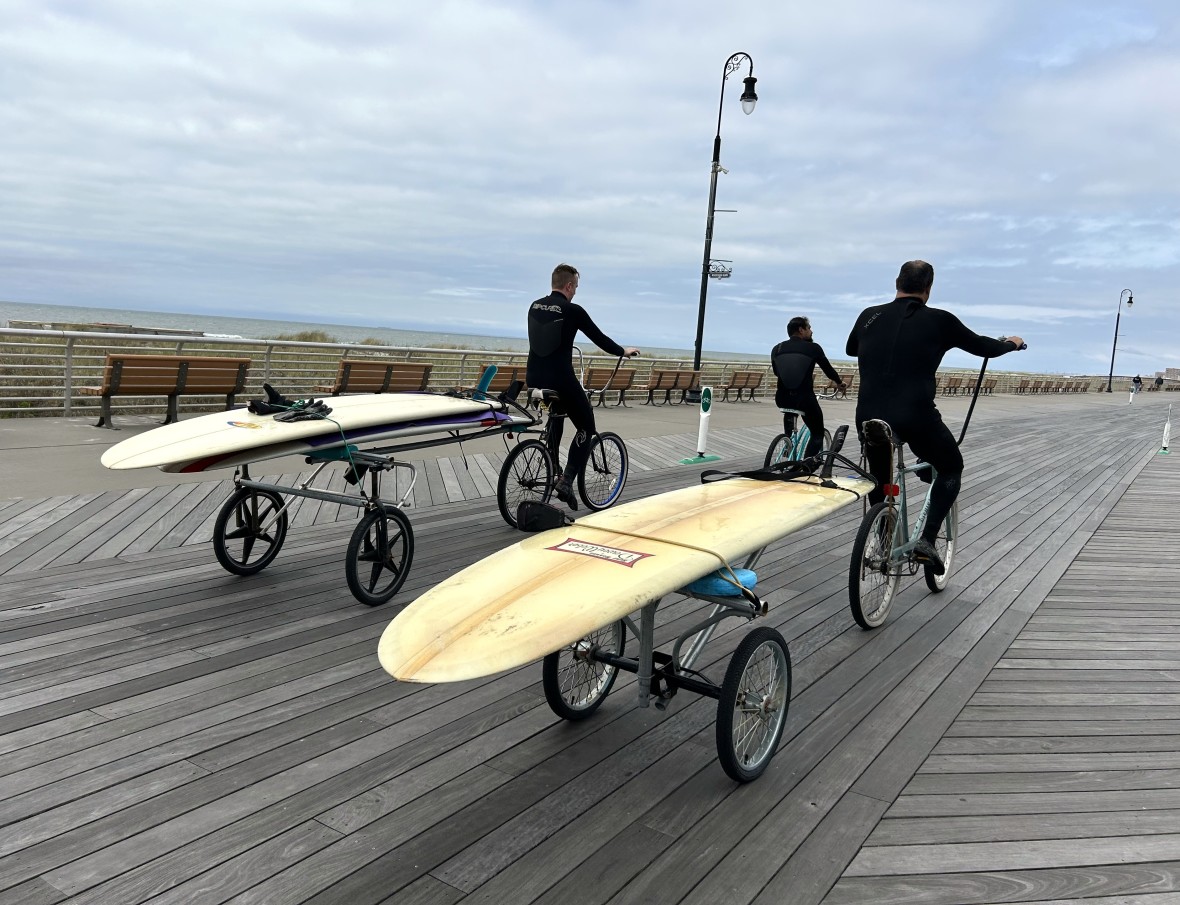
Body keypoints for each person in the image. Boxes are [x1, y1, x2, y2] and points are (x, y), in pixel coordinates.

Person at [845, 260, 1024, 574]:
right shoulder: (940, 321)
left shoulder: (868, 315)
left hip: (868, 415)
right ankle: (926, 540)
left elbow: (851, 349)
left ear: (896, 282)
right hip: (915, 415)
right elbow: (985, 347)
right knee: (952, 465)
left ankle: (884, 540)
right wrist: (1011, 343)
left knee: (881, 481)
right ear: (928, 288)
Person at [526, 264, 639, 510]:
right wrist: (623, 351)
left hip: (533, 382)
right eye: (575, 287)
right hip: (560, 381)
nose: (575, 291)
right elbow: (600, 339)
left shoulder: (534, 305)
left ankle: (553, 470)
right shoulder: (573, 310)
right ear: (568, 285)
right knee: (586, 427)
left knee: (556, 416)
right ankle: (565, 482)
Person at [770, 317, 845, 459]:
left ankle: (788, 443)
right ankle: (806, 466)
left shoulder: (777, 348)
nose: (811, 331)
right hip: (804, 399)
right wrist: (839, 383)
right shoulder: (813, 348)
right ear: (801, 329)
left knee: (790, 410)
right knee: (817, 433)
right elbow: (828, 370)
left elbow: (777, 372)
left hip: (781, 398)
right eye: (809, 328)